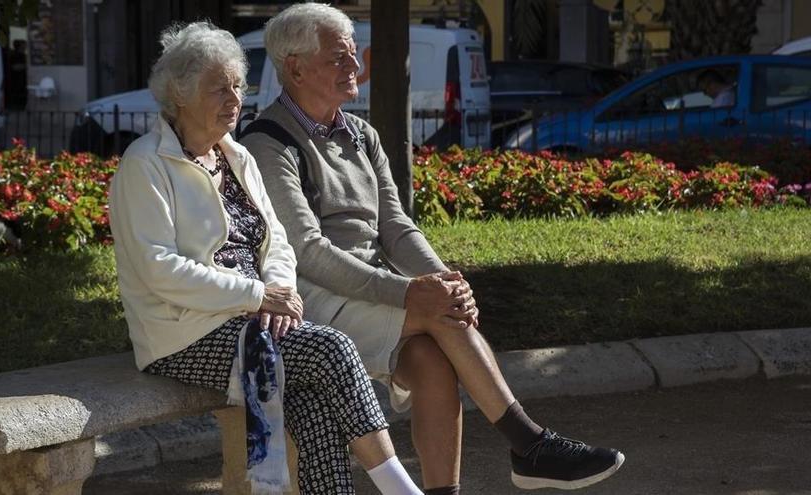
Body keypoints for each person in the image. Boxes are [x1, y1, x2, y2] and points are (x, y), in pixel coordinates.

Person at [240, 4, 625, 494]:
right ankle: (528, 444)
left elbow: (397, 228)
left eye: (354, 55)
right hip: (311, 298)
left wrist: (446, 281)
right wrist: (409, 294)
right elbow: (309, 251)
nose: (354, 67)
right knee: (438, 315)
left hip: (370, 289)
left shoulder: (361, 135)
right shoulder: (268, 142)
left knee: (433, 358)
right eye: (339, 58)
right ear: (294, 67)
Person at [108, 21, 425, 495]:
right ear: (180, 95)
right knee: (332, 349)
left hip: (253, 318)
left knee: (316, 405)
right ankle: (401, 489)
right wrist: (258, 294)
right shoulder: (145, 164)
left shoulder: (236, 156)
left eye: (238, 86)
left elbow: (276, 240)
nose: (234, 99)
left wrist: (279, 293)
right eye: (219, 89)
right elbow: (161, 270)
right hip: (183, 332)